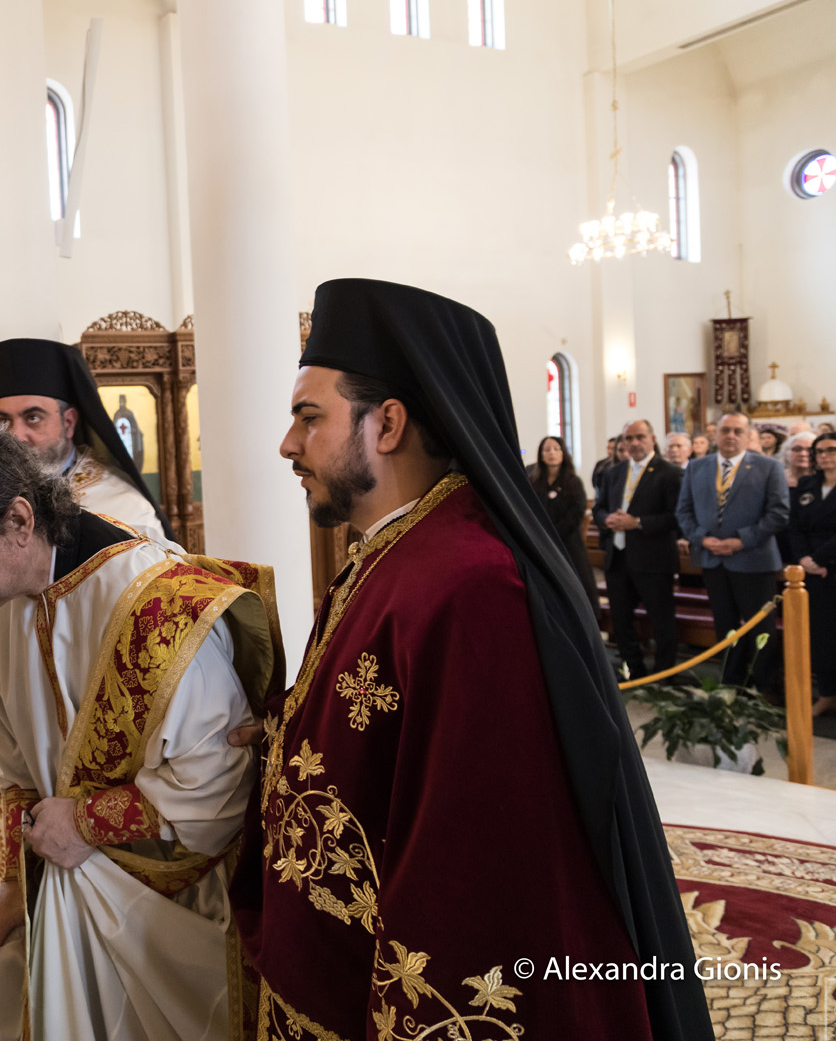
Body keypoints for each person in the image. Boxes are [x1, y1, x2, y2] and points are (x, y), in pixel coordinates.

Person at [234, 279, 708, 1041]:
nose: (289, 444)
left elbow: (476, 859)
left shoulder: (470, 585)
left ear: (388, 423)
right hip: (327, 964)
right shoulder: (395, 550)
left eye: (309, 417)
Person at [0, 424, 278, 1041]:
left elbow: (218, 789)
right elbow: (16, 765)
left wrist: (84, 823)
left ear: (19, 520)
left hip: (166, 902)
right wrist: (16, 881)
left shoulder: (159, 606)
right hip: (64, 875)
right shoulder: (9, 598)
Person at [0, 337, 172, 957]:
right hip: (14, 747)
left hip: (99, 790)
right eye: (2, 419)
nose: (19, 434)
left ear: (70, 420)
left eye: (33, 417)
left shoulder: (121, 513)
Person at [677, 412, 790, 688]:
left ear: (748, 435)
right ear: (715, 434)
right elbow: (683, 511)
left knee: (761, 628)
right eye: (725, 430)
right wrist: (702, 539)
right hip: (713, 560)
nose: (730, 436)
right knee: (725, 625)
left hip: (754, 560)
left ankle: (765, 689)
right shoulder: (696, 467)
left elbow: (779, 514)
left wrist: (741, 540)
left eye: (737, 431)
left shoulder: (768, 467)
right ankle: (731, 685)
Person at [594, 419, 683, 679]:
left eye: (640, 437)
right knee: (621, 619)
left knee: (661, 619)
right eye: (629, 438)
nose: (634, 443)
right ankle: (633, 670)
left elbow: (676, 517)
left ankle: (664, 675)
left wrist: (638, 522)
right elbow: (599, 508)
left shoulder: (670, 473)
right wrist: (606, 519)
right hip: (618, 557)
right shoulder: (614, 472)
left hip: (653, 557)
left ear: (652, 439)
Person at [789, 432, 836, 716]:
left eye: (831, 450)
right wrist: (805, 559)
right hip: (812, 571)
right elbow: (794, 526)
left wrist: (818, 558)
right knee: (820, 635)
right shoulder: (808, 485)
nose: (824, 455)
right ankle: (827, 694)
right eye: (819, 451)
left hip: (830, 563)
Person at [529, 435, 597, 609]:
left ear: (563, 453)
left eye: (556, 449)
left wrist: (555, 534)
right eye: (547, 450)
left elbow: (577, 512)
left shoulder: (573, 482)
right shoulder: (534, 482)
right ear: (541, 455)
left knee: (576, 587)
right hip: (540, 542)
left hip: (568, 543)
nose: (551, 453)